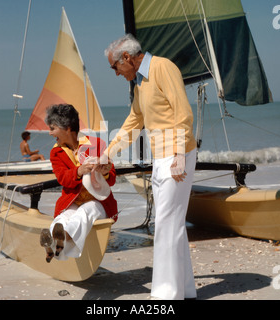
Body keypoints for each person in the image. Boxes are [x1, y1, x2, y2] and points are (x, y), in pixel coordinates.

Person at [103, 34, 197, 300]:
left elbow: (183, 112)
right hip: (161, 158)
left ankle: (166, 296)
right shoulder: (140, 84)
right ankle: (185, 290)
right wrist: (107, 154)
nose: (115, 73)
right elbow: (134, 122)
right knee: (172, 224)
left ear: (127, 58)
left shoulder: (163, 67)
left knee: (167, 224)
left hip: (177, 155)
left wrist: (179, 154)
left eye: (115, 67)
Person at [40, 104, 118, 263]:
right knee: (64, 217)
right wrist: (79, 171)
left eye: (53, 128)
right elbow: (62, 178)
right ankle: (55, 240)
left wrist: (105, 171)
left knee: (85, 213)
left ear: (67, 128)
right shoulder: (56, 152)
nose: (50, 133)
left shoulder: (96, 143)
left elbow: (112, 178)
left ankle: (61, 240)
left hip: (98, 201)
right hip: (72, 200)